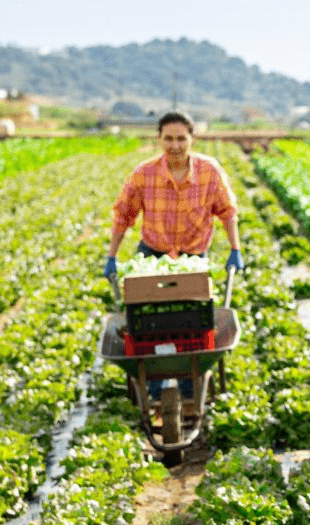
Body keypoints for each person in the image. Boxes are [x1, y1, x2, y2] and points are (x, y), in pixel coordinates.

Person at [104, 111, 244, 398]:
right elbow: (123, 215)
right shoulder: (144, 173)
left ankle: (190, 387)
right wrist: (112, 256)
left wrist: (235, 249)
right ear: (159, 139)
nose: (175, 145)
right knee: (148, 324)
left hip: (193, 259)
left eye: (181, 138)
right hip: (152, 259)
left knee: (192, 324)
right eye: (168, 138)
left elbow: (227, 211)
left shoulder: (209, 170)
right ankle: (153, 384)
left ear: (192, 139)